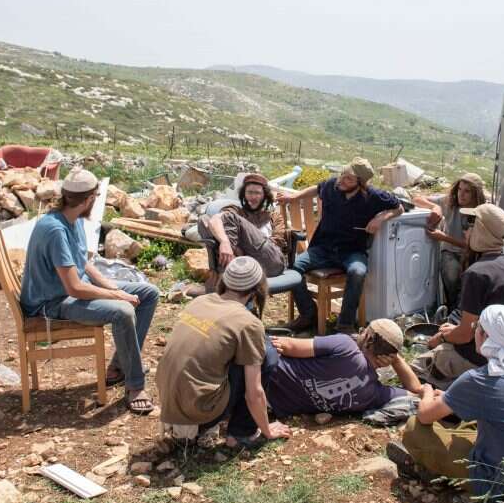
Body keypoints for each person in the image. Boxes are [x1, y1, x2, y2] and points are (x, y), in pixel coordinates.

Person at [19, 169, 160, 414]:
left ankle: (119, 367)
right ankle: (135, 385)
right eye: (95, 196)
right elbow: (74, 287)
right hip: (52, 302)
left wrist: (112, 286)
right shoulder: (55, 230)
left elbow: (83, 263)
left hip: (70, 291)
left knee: (148, 293)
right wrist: (119, 297)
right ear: (87, 200)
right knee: (123, 311)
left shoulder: (70, 220)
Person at [387, 305, 504, 502]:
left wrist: (426, 391)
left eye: (477, 326)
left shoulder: (478, 379)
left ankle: (436, 472)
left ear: (485, 336)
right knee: (464, 424)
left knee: (413, 428)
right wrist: (451, 397)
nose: (474, 330)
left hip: (501, 484)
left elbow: (424, 415)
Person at [156, 257, 292, 447]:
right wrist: (267, 430)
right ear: (256, 290)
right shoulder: (248, 323)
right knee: (268, 354)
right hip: (197, 412)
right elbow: (254, 392)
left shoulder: (201, 301)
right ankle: (242, 433)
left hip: (169, 406)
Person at [411, 204, 504, 388]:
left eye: (471, 225)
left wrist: (442, 337)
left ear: (481, 231)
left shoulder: (477, 273)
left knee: (415, 369)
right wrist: (452, 329)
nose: (466, 230)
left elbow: (465, 335)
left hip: (483, 359)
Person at [278, 157, 403, 334]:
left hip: (352, 251)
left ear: (360, 183)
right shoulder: (332, 186)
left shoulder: (374, 196)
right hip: (322, 248)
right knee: (293, 267)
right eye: (342, 175)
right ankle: (309, 314)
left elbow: (399, 208)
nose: (341, 180)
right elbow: (317, 188)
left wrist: (381, 218)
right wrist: (294, 196)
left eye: (348, 178)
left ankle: (344, 325)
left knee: (358, 272)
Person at [266, 319, 422, 418]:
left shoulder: (344, 346)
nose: (360, 332)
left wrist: (263, 338)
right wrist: (397, 360)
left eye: (364, 330)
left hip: (264, 374)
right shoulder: (372, 394)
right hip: (270, 406)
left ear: (368, 338)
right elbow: (416, 390)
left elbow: (289, 346)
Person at [412, 173, 487, 313]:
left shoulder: (482, 212)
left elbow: (474, 245)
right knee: (452, 273)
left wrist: (444, 237)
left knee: (471, 279)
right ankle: (453, 309)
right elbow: (416, 199)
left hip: (473, 253)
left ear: (475, 194)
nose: (461, 194)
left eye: (467, 191)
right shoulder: (450, 203)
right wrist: (435, 207)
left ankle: (465, 312)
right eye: (459, 189)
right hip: (450, 251)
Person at [199, 173, 288, 280]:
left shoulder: (274, 216)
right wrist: (224, 242)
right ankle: (232, 268)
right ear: (244, 194)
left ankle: (228, 271)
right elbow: (214, 220)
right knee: (203, 220)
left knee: (231, 217)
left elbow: (276, 243)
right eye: (250, 192)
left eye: (257, 193)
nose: (253, 197)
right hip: (243, 264)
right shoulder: (236, 210)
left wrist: (242, 251)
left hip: (271, 263)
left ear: (264, 195)